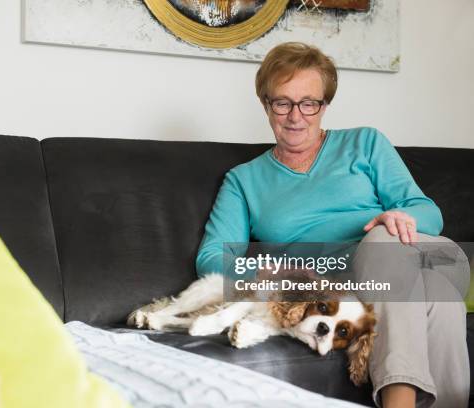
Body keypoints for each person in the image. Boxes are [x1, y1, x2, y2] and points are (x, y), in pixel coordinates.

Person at [195, 42, 469, 408]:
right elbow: (212, 257)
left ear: (324, 105)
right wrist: (280, 273)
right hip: (361, 284)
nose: (296, 115)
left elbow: (429, 213)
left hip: (432, 255)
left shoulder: (365, 143)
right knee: (439, 299)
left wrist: (399, 219)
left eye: (310, 103)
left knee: (385, 240)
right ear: (265, 103)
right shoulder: (243, 181)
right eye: (283, 102)